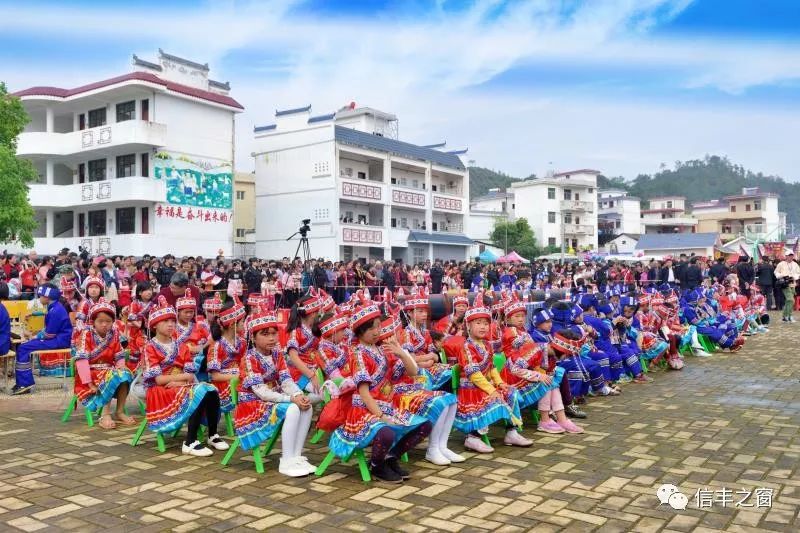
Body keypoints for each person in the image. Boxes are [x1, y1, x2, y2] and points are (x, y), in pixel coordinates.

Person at [327, 302, 432, 483]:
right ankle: (376, 465)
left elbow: (413, 372)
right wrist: (382, 416)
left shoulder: (383, 350)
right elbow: (364, 392)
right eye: (372, 328)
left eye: (378, 326)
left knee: (424, 425)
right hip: (364, 411)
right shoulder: (357, 354)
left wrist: (401, 353)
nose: (377, 331)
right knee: (386, 432)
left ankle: (390, 457)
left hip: (387, 406)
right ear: (361, 330)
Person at [142, 297, 227, 457]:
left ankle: (213, 435)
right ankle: (190, 441)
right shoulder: (149, 347)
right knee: (198, 391)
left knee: (211, 389)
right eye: (165, 322)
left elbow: (190, 375)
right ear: (154, 325)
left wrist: (178, 380)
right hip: (159, 391)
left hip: (178, 385)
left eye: (172, 321)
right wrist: (180, 379)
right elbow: (158, 380)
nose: (170, 325)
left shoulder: (180, 346)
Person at [235, 307, 315, 477]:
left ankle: (296, 456)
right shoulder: (249, 358)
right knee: (293, 408)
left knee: (306, 406)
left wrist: (298, 395)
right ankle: (286, 460)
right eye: (265, 334)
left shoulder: (277, 354)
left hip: (271, 399)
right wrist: (290, 399)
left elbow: (286, 381)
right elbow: (262, 392)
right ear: (253, 338)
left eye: (274, 333)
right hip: (252, 404)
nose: (271, 338)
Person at [454, 293, 529, 453]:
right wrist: (492, 389)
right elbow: (474, 375)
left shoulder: (487, 345)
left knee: (511, 392)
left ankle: (511, 432)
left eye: (485, 323)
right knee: (495, 399)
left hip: (487, 386)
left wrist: (500, 383)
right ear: (468, 326)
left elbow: (492, 368)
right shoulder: (467, 347)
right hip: (472, 391)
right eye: (478, 323)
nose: (483, 327)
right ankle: (472, 437)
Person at [73, 298, 135, 429]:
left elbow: (119, 355)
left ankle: (119, 411)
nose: (104, 325)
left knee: (124, 374)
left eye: (108, 321)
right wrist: (89, 383)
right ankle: (105, 414)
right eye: (100, 321)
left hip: (109, 370)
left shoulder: (115, 333)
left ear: (113, 322)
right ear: (93, 322)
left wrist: (122, 370)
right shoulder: (86, 334)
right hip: (90, 373)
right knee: (111, 375)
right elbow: (82, 360)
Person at [13, 284, 73, 395]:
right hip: (60, 339)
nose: (39, 298)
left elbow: (49, 334)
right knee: (25, 346)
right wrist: (33, 313)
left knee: (23, 347)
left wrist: (33, 337)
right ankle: (24, 382)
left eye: (40, 296)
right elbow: (46, 315)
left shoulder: (55, 311)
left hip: (59, 341)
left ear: (47, 297)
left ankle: (24, 383)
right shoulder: (55, 307)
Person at [208, 299, 247, 413]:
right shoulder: (216, 346)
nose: (243, 324)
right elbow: (215, 376)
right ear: (232, 325)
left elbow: (245, 364)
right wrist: (238, 376)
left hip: (239, 379)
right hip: (222, 386)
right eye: (242, 322)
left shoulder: (242, 342)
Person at [774, 251, 800, 322]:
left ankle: (785, 316)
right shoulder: (781, 264)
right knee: (791, 300)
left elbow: (798, 273)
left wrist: (794, 277)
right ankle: (789, 316)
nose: (790, 257)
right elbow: (776, 272)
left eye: (792, 255)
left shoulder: (795, 264)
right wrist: (781, 275)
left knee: (789, 301)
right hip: (785, 284)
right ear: (786, 256)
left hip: (793, 284)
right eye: (789, 255)